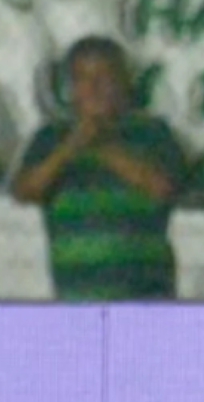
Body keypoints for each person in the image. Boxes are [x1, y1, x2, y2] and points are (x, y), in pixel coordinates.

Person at [11, 36, 188, 300]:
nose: (93, 88)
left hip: (146, 296)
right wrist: (69, 148)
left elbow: (163, 187)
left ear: (123, 81)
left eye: (103, 77)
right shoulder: (51, 137)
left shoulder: (152, 133)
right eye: (83, 78)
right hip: (76, 296)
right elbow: (25, 190)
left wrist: (100, 147)